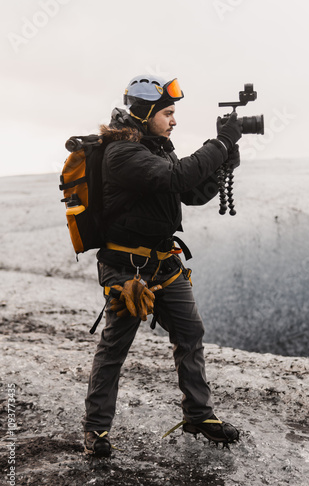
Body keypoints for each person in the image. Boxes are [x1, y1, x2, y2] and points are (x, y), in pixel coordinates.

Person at [83, 74, 242, 457]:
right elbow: (176, 176)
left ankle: (198, 415)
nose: (174, 120)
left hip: (164, 263)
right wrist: (219, 144)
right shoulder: (121, 152)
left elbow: (188, 192)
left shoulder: (156, 147)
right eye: (168, 112)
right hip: (127, 268)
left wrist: (224, 164)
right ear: (145, 112)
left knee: (190, 333)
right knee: (115, 346)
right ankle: (96, 431)